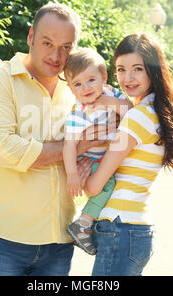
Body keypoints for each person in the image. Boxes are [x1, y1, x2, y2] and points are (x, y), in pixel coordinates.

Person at [0, 3, 110, 276]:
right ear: (31, 36)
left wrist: (84, 162)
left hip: (59, 243)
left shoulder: (77, 90)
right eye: (47, 42)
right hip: (3, 242)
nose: (56, 55)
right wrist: (76, 146)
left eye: (66, 47)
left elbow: (103, 138)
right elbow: (4, 150)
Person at [84, 33, 173, 276]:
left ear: (153, 70)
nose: (127, 78)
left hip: (120, 227)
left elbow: (94, 187)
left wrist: (79, 165)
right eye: (120, 69)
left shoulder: (138, 117)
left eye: (137, 69)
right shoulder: (154, 112)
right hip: (134, 228)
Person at [62, 47, 133, 255]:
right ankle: (83, 224)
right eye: (77, 84)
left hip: (108, 154)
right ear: (71, 89)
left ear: (104, 77)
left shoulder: (112, 93)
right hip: (90, 159)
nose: (85, 88)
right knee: (107, 185)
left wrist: (111, 103)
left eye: (91, 80)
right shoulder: (79, 112)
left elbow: (131, 110)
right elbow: (68, 145)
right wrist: (73, 174)